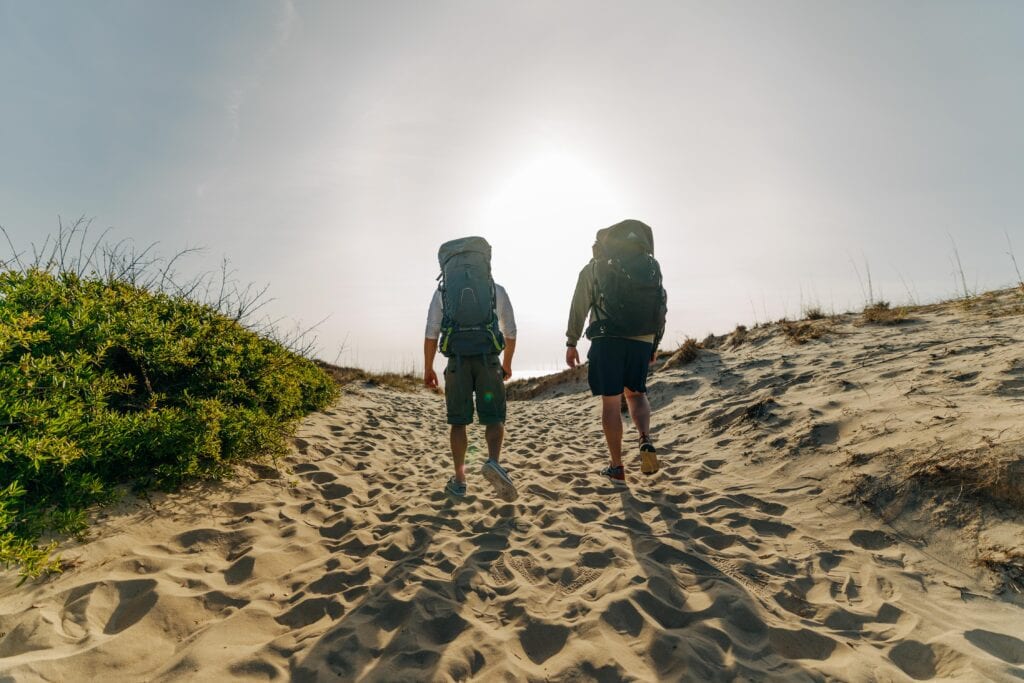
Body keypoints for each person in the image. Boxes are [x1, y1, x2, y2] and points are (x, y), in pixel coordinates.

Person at [565, 219, 667, 482]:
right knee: (636, 395)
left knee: (611, 403)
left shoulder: (594, 268)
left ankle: (617, 466)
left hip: (607, 337)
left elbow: (579, 305)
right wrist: (653, 344)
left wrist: (571, 341)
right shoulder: (649, 265)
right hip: (642, 340)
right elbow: (661, 305)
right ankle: (644, 438)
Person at [424, 236, 518, 501]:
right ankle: (493, 461)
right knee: (494, 417)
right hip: (488, 360)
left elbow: (431, 332)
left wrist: (428, 368)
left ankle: (460, 479)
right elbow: (510, 331)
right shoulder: (494, 289)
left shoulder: (443, 292)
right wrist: (507, 363)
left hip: (457, 362)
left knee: (458, 422)